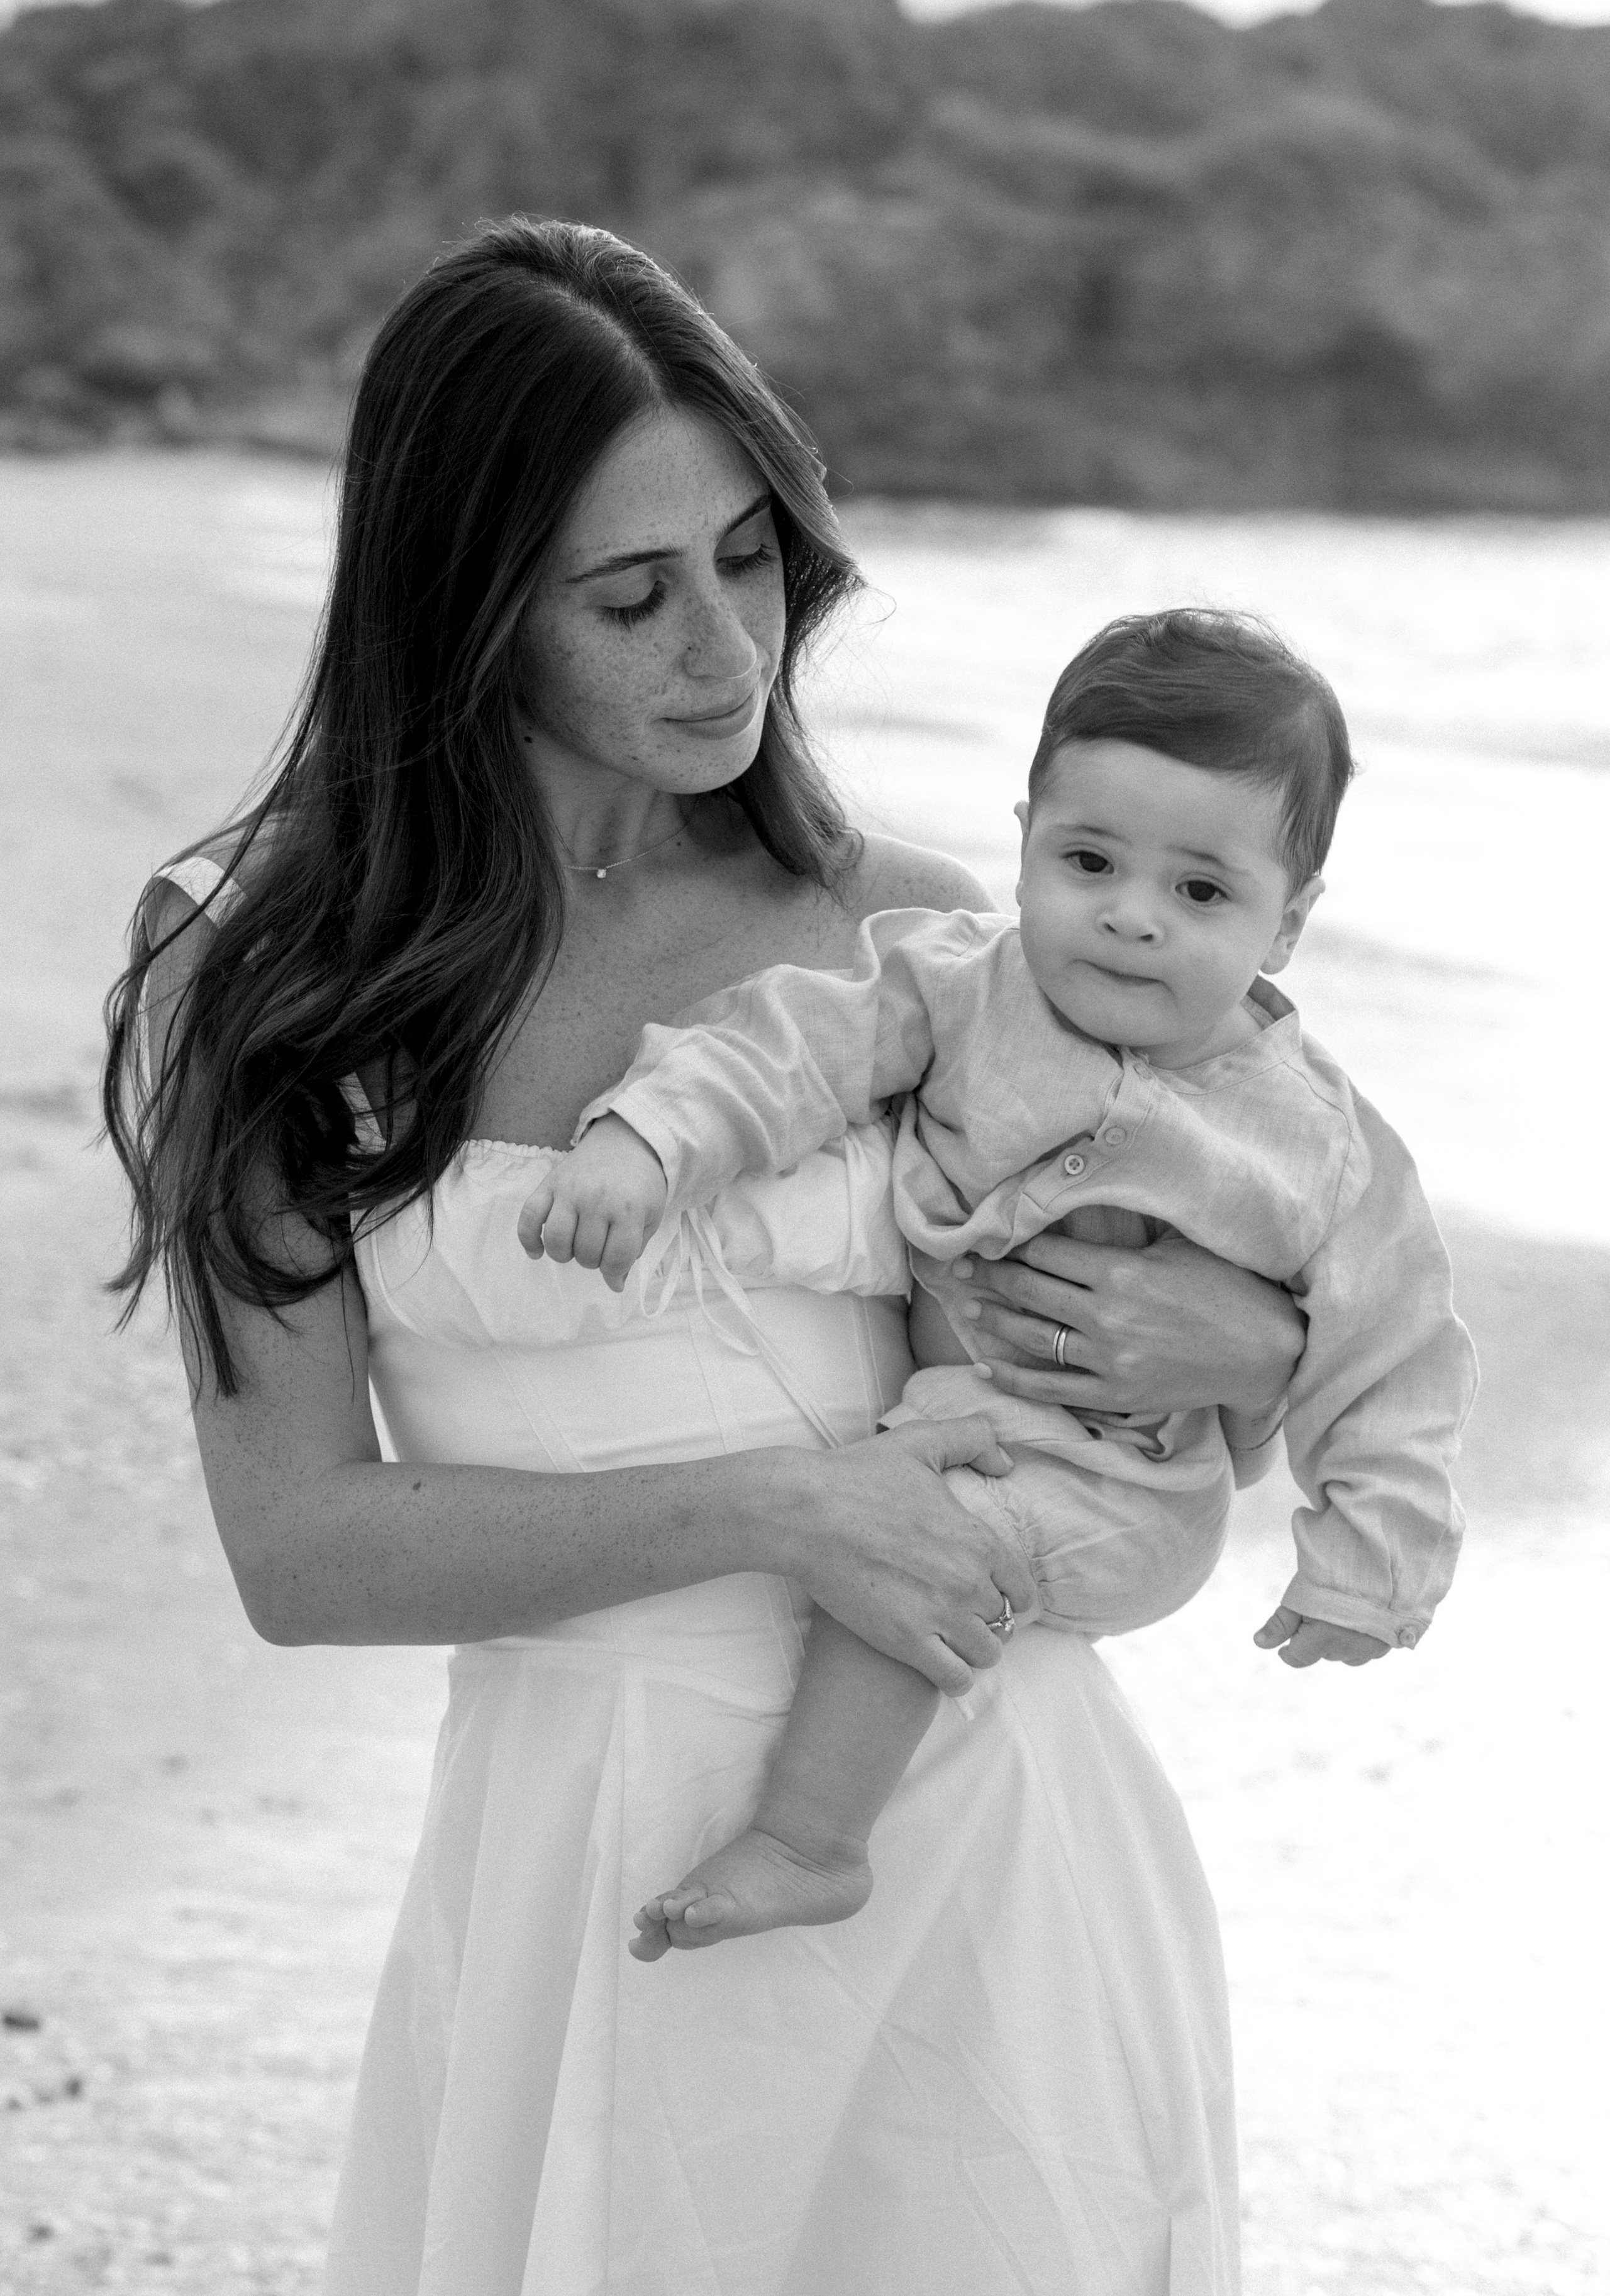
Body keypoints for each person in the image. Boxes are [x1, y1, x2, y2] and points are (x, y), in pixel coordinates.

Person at [104, 216, 1308, 2295]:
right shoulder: (258, 973)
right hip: (582, 1856)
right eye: (632, 594)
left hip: (977, 1834)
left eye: (752, 560)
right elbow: (300, 1555)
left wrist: (1236, 1350)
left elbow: (1158, 1379)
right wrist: (780, 1504)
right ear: (460, 603)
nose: (726, 654)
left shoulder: (918, 945)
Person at [526, 608, 1477, 1961]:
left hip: (1123, 1492)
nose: (1131, 918)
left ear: (1288, 924)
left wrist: (1370, 1565)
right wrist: (647, 1140)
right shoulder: (961, 983)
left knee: (930, 1538)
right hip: (955, 1416)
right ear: (1023, 833)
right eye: (1087, 859)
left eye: (1201, 893)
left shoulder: (1314, 1140)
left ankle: (809, 1843)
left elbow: (1394, 1353)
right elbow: (787, 1047)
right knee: (908, 1515)